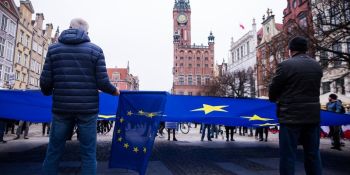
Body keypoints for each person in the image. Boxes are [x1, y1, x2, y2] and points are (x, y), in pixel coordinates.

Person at [40, 18, 119, 175]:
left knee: (54, 152)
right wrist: (115, 91)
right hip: (87, 109)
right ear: (86, 32)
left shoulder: (53, 49)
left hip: (61, 108)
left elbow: (45, 81)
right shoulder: (96, 51)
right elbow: (102, 83)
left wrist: (47, 91)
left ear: (69, 28)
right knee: (88, 154)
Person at [269, 36, 323, 175]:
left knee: (288, 156)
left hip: (291, 117)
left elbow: (273, 89)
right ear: (306, 49)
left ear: (290, 50)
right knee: (313, 155)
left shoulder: (285, 65)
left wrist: (275, 98)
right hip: (312, 117)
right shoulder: (317, 66)